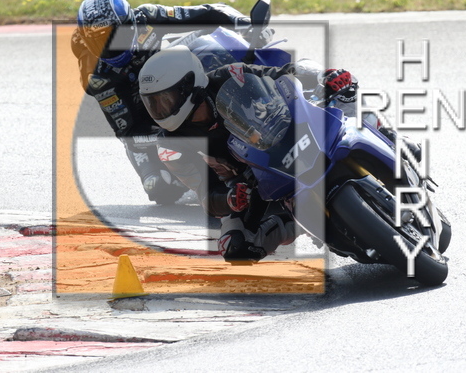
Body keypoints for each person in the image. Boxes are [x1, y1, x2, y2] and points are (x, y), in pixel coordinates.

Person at [137, 46, 358, 262]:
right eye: (152, 103)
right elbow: (205, 193)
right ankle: (302, 223)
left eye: (165, 99)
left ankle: (370, 135)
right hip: (250, 184)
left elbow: (281, 74)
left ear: (188, 86)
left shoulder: (231, 76)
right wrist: (230, 199)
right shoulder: (170, 145)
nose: (160, 109)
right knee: (235, 246)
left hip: (286, 137)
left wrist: (321, 77)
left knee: (333, 86)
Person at [71, 0, 270, 204]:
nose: (111, 47)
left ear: (131, 23)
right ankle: (211, 180)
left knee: (209, 47)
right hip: (146, 117)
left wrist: (244, 24)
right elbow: (129, 132)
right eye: (100, 42)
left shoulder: (146, 17)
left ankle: (261, 96)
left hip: (167, 79)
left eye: (117, 35)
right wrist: (181, 135)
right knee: (159, 187)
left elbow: (208, 11)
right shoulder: (98, 78)